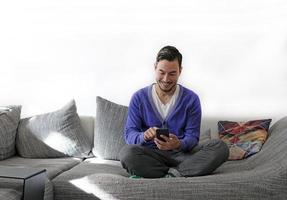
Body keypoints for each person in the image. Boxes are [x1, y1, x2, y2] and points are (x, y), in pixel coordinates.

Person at [119, 46, 229, 178]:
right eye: (161, 72)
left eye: (172, 73)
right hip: (151, 155)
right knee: (127, 153)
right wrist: (144, 136)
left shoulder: (191, 99)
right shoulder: (139, 97)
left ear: (180, 71)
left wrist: (179, 144)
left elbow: (192, 137)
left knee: (220, 147)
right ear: (155, 67)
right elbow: (129, 135)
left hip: (182, 155)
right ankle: (180, 172)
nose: (166, 79)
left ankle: (170, 173)